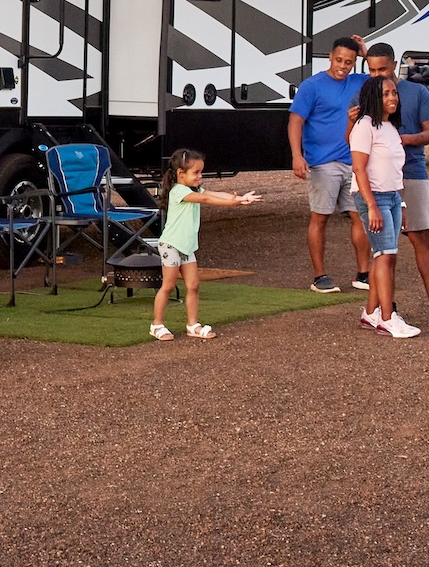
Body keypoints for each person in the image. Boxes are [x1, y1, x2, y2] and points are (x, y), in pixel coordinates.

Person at [364, 42, 429, 327]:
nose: (377, 75)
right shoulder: (365, 93)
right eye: (372, 70)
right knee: (385, 249)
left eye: (382, 69)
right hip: (380, 179)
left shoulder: (417, 92)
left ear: (394, 65)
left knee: (420, 238)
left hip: (412, 171)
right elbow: (356, 141)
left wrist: (401, 140)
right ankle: (385, 307)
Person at [149, 148, 260, 341]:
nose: (200, 176)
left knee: (193, 285)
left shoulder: (193, 189)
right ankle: (157, 324)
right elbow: (207, 199)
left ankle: (193, 325)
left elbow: (213, 193)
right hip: (171, 245)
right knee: (168, 285)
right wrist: (234, 203)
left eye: (201, 172)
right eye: (196, 172)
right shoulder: (179, 191)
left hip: (187, 246)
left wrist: (239, 198)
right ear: (181, 173)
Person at [287, 36, 370, 294]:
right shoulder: (312, 86)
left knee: (360, 216)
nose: (343, 66)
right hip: (323, 162)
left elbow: (384, 77)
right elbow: (295, 121)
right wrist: (297, 155)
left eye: (349, 62)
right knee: (320, 217)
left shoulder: (359, 82)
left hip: (353, 162)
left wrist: (366, 53)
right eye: (339, 60)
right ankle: (319, 276)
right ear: (330, 58)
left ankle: (363, 274)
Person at [348, 80, 419, 338]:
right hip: (372, 196)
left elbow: (394, 171)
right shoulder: (364, 126)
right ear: (373, 98)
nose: (392, 98)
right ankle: (387, 318)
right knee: (385, 254)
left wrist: (402, 204)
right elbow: (359, 169)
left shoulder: (390, 127)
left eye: (394, 93)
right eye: (385, 94)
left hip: (391, 196)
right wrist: (371, 207)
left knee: (386, 255)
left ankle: (371, 313)